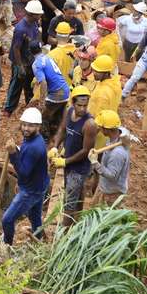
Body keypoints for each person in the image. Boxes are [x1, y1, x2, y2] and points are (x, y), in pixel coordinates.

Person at [50, 86, 97, 228]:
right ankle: (77, 219)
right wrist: (55, 146)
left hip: (78, 168)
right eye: (79, 105)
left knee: (69, 201)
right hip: (69, 161)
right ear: (73, 103)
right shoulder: (69, 112)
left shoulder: (89, 124)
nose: (82, 109)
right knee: (76, 193)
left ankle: (65, 232)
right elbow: (62, 130)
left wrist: (65, 161)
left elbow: (85, 150)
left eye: (85, 105)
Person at [2, 108, 49, 245]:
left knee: (7, 220)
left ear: (38, 127)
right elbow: (26, 164)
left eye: (31, 126)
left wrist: (12, 154)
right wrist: (16, 150)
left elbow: (23, 172)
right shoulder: (32, 139)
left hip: (31, 191)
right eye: (24, 124)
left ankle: (7, 245)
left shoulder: (35, 147)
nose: (26, 128)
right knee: (35, 217)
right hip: (38, 185)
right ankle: (39, 240)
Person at [4, 0, 43, 116]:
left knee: (29, 83)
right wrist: (20, 66)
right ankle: (9, 108)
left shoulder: (35, 23)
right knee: (16, 84)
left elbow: (36, 38)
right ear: (31, 14)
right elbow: (16, 48)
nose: (40, 15)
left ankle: (29, 105)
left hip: (30, 59)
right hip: (20, 60)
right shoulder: (21, 29)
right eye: (38, 14)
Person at [30, 41, 70, 139]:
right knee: (58, 114)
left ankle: (45, 139)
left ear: (30, 51)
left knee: (43, 116)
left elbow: (43, 83)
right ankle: (59, 135)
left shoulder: (36, 64)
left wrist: (42, 101)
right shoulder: (47, 57)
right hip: (65, 89)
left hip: (57, 93)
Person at [89, 110, 130, 205]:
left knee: (102, 217)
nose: (99, 129)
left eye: (101, 127)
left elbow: (112, 176)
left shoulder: (117, 154)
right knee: (93, 208)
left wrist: (95, 163)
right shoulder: (119, 133)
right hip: (104, 186)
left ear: (107, 129)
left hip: (112, 193)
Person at [88, 55, 122, 148]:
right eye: (94, 70)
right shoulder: (114, 83)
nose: (94, 73)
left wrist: (88, 135)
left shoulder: (103, 93)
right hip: (108, 129)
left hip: (98, 134)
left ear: (106, 73)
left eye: (97, 72)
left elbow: (98, 119)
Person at [47, 21, 77, 87]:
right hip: (74, 89)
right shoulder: (77, 51)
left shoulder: (51, 55)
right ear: (69, 36)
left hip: (58, 90)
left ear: (56, 36)